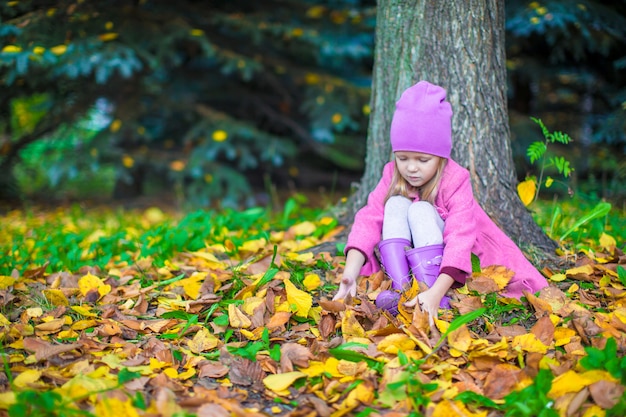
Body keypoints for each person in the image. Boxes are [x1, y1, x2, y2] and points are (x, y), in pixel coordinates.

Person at [332, 80, 549, 321]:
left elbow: (460, 238)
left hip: (449, 271)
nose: (411, 168)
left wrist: (436, 292)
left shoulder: (455, 179)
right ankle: (402, 291)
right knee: (394, 203)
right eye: (403, 158)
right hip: (409, 263)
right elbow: (368, 219)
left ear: (440, 156)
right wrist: (350, 274)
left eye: (422, 160)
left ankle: (434, 297)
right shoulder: (391, 174)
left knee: (421, 210)